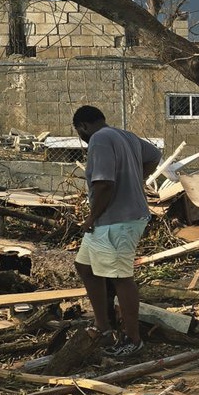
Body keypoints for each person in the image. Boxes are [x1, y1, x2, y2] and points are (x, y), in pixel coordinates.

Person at [72, 105, 161, 358]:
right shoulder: (126, 136)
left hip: (116, 220)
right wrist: (135, 179)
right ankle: (103, 326)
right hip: (113, 219)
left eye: (79, 131)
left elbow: (104, 184)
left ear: (83, 127)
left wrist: (91, 217)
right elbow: (154, 155)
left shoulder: (99, 139)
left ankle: (133, 339)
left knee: (120, 278)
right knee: (85, 267)